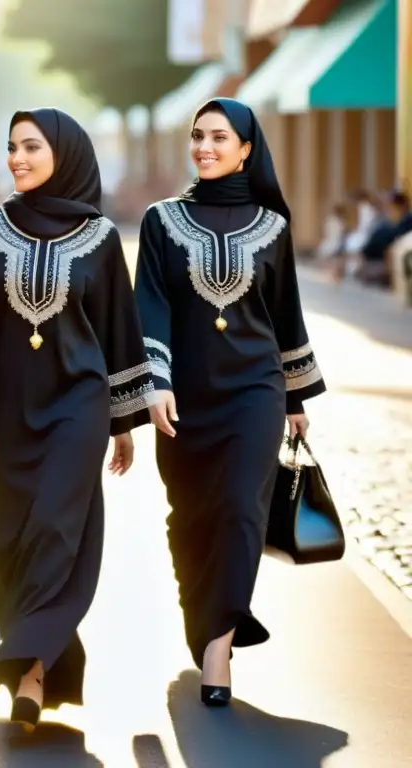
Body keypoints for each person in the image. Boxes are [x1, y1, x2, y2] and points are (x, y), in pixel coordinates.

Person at [0, 108, 154, 731]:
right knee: (2, 544)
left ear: (66, 153)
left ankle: (28, 672)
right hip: (0, 412)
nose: (17, 158)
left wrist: (122, 420)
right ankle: (31, 651)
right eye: (11, 147)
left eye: (31, 146)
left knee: (54, 529)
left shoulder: (100, 238)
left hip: (76, 407)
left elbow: (117, 333)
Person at [134, 97, 326, 708]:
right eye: (198, 136)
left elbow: (286, 314)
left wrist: (295, 393)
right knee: (189, 519)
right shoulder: (161, 222)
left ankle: (219, 651)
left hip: (254, 390)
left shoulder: (273, 225)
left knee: (243, 508)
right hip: (185, 395)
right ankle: (204, 617)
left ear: (246, 148)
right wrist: (156, 381)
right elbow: (151, 308)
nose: (205, 147)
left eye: (220, 136)